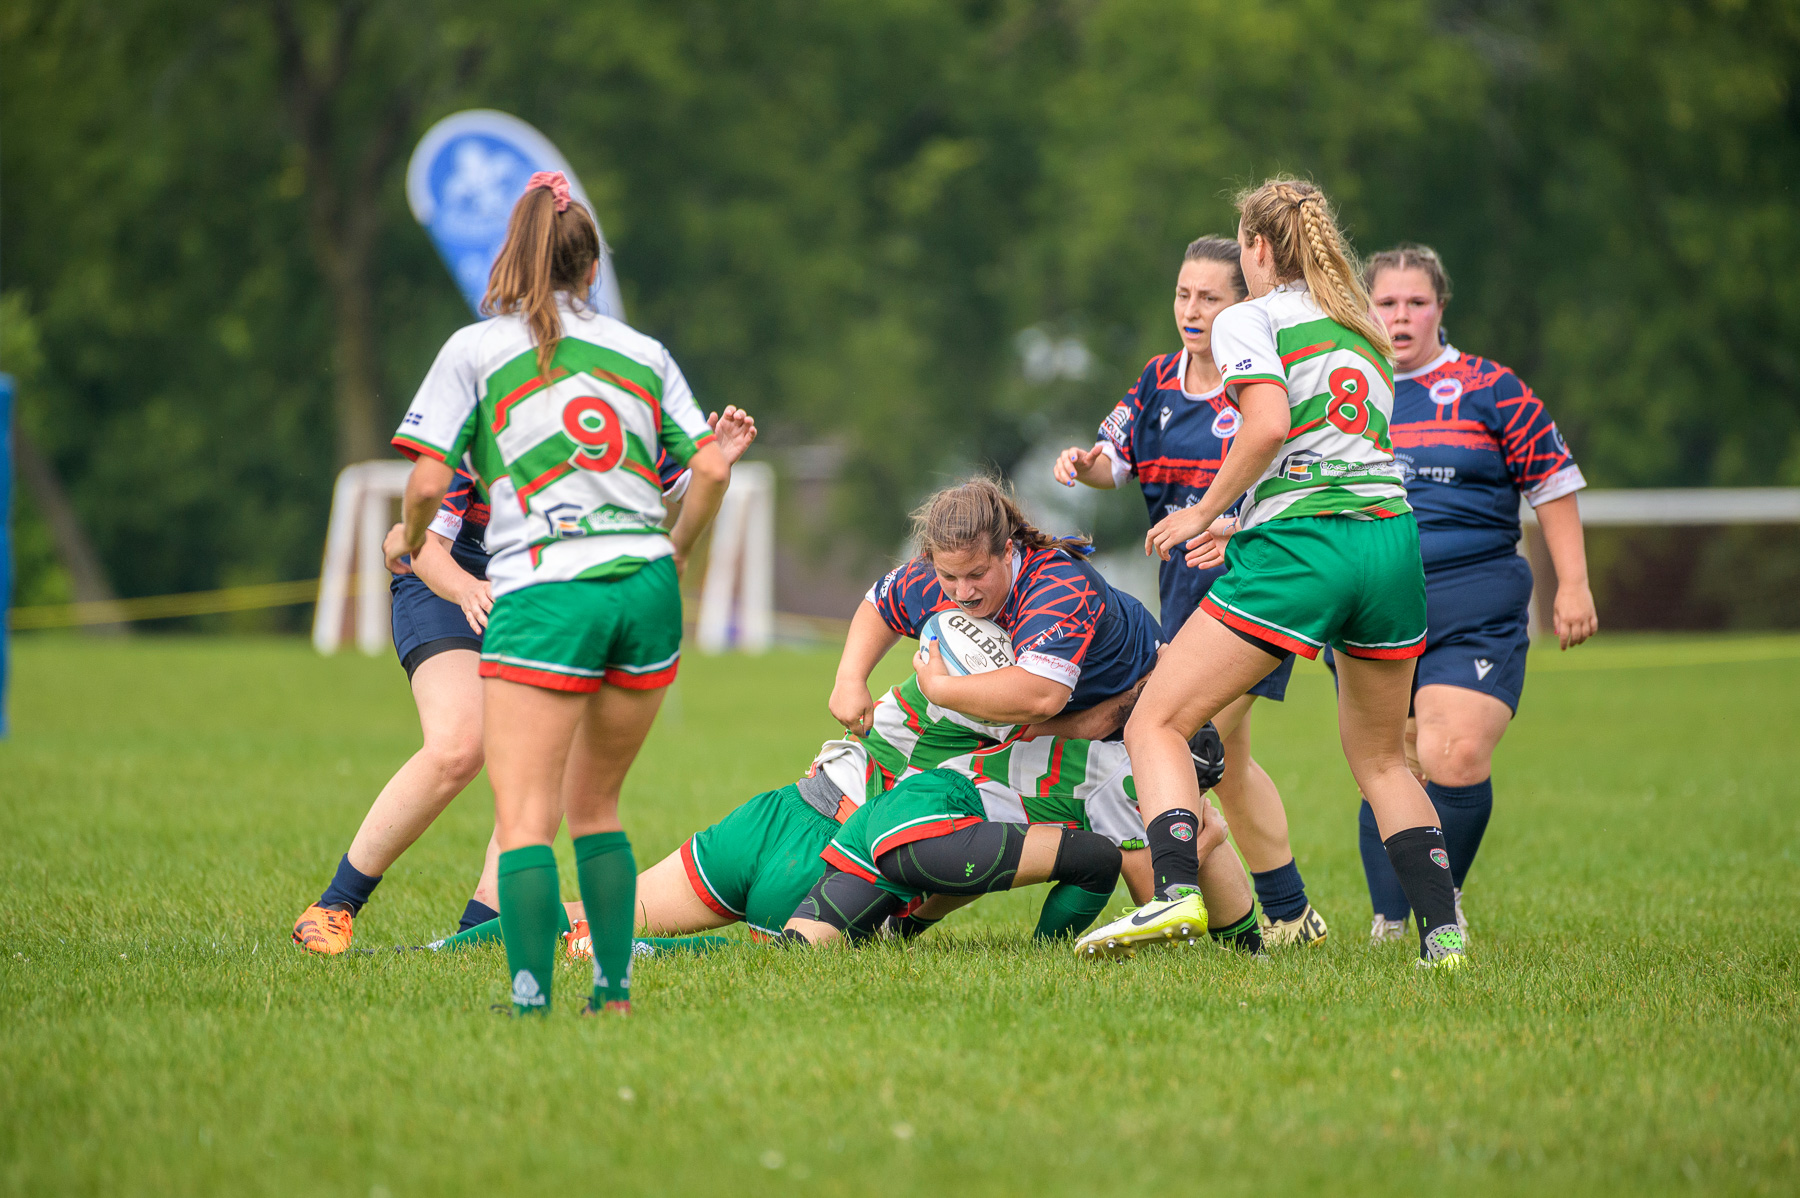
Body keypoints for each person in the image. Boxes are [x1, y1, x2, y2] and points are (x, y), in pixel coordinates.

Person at [1081, 176, 1467, 970]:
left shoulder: (1250, 318)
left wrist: (1199, 511)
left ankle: (1174, 895)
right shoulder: (1359, 322)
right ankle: (1446, 939)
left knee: (1157, 720)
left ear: (1256, 248)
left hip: (1309, 550)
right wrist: (1243, 519)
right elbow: (1332, 452)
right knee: (1384, 759)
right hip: (1391, 545)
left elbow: (1267, 427)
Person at [387, 170, 731, 1016]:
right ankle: (610, 994)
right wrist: (676, 549)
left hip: (548, 586)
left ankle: (532, 997)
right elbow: (711, 467)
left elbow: (431, 479)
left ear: (515, 257)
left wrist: (408, 532)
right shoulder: (642, 352)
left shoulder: (477, 350)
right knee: (600, 806)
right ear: (590, 270)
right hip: (644, 589)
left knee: (528, 811)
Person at [292, 417, 755, 956]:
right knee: (460, 744)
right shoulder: (487, 414)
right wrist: (468, 589)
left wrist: (716, 461)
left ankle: (479, 931)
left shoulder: (609, 417)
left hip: (541, 592)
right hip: (448, 580)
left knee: (557, 746)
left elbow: (693, 486)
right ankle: (333, 905)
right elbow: (418, 548)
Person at [831, 477, 1261, 946]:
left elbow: (1040, 697)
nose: (963, 592)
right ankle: (904, 925)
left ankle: (1242, 949)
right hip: (1057, 727)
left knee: (1152, 863)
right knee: (966, 806)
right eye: (949, 577)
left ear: (1007, 550)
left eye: (977, 574)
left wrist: (940, 689)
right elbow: (880, 603)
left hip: (1134, 716)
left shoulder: (1055, 585)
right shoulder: (936, 574)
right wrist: (850, 678)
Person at [1053, 235, 1326, 947]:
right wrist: (1085, 466)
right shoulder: (1157, 381)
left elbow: (1298, 481)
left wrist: (1234, 523)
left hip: (1260, 593)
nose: (1192, 309)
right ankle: (1291, 916)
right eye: (1183, 293)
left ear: (1243, 304)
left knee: (1187, 745)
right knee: (1226, 763)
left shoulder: (1261, 384)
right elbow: (1112, 460)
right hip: (1181, 607)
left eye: (1210, 296)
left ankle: (1186, 902)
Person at [1354, 243, 1597, 942]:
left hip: (1476, 602)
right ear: (1366, 308)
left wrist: (1573, 585)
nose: (1400, 317)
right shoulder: (1346, 388)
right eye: (1387, 303)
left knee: (1451, 753)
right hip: (1376, 606)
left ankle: (1441, 901)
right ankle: (1390, 919)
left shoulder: (1492, 389)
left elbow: (1551, 482)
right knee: (1389, 763)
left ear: (1440, 307)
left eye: (1416, 303)